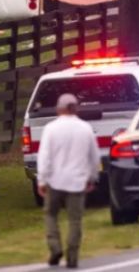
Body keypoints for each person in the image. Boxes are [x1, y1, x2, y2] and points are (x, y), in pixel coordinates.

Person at [37, 93, 99, 268]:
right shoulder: (85, 128)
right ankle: (72, 256)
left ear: (59, 109)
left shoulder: (51, 128)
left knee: (50, 214)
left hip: (55, 179)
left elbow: (45, 156)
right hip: (77, 181)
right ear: (75, 108)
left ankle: (55, 247)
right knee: (75, 220)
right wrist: (92, 177)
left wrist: (42, 179)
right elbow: (93, 157)